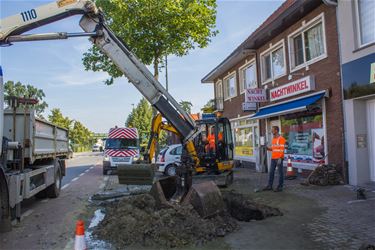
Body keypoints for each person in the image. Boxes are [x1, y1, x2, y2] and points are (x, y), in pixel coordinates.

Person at [263, 126, 286, 192]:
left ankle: (280, 187)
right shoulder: (274, 139)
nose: (271, 131)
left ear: (276, 130)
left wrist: (280, 158)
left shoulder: (281, 139)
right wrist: (268, 148)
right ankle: (270, 186)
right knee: (271, 172)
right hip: (273, 158)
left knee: (280, 173)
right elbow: (274, 149)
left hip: (279, 158)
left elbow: (282, 150)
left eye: (272, 130)